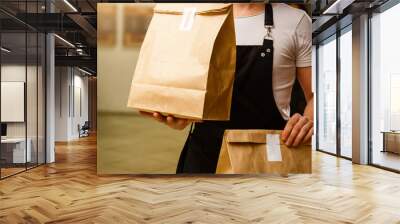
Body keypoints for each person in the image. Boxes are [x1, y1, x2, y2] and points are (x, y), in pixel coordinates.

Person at [140, 3, 313, 173]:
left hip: (265, 155)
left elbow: (315, 96)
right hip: (205, 154)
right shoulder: (200, 18)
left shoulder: (296, 20)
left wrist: (310, 120)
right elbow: (184, 88)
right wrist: (179, 115)